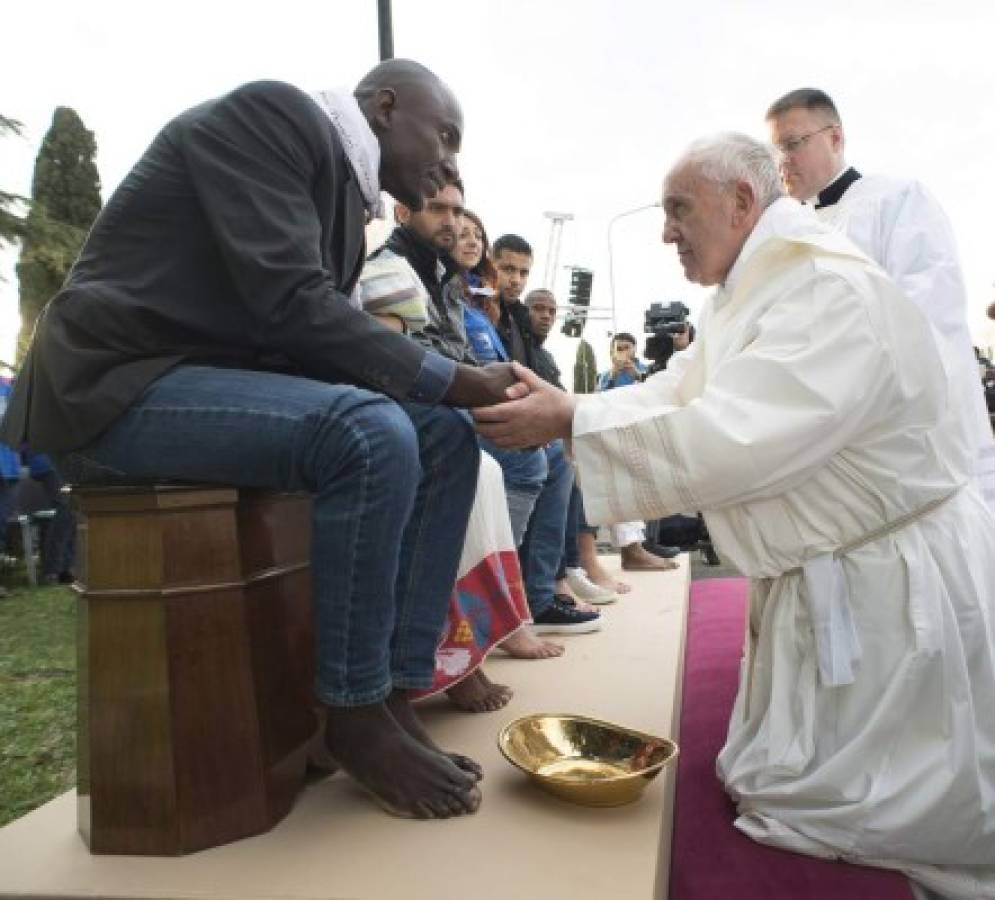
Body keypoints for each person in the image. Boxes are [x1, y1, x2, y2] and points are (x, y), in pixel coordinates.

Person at [1, 60, 526, 820]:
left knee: (442, 437)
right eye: (445, 134)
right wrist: (450, 376)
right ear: (383, 107)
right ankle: (350, 710)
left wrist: (454, 394)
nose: (451, 162)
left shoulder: (344, 195)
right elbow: (290, 304)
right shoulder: (275, 118)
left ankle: (397, 691)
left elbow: (309, 341)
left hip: (191, 386)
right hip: (114, 392)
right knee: (369, 431)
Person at [474, 133, 995, 897]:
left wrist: (569, 424)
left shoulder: (824, 289)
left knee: (886, 793)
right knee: (799, 772)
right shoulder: (754, 291)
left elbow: (738, 435)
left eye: (679, 210)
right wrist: (576, 407)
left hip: (886, 580)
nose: (666, 232)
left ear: (742, 202)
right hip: (833, 566)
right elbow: (682, 390)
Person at [766, 87, 995, 511]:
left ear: (835, 137)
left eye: (793, 144)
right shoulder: (788, 232)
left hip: (911, 443)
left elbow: (922, 315)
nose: (783, 162)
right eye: (775, 151)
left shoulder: (896, 199)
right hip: (839, 452)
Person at [491, 236, 601, 634]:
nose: (514, 279)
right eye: (507, 269)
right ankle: (517, 592)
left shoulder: (516, 322)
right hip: (481, 419)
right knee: (547, 457)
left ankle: (548, 585)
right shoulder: (484, 310)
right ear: (491, 266)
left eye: (522, 271)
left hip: (506, 416)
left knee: (568, 453)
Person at [595, 333, 677, 573]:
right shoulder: (605, 376)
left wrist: (637, 376)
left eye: (626, 347)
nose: (622, 352)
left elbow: (657, 395)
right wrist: (611, 376)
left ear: (634, 350)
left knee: (650, 491)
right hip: (614, 437)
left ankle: (648, 543)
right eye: (618, 348)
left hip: (643, 434)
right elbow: (596, 400)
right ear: (611, 352)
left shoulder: (644, 372)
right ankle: (635, 548)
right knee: (624, 490)